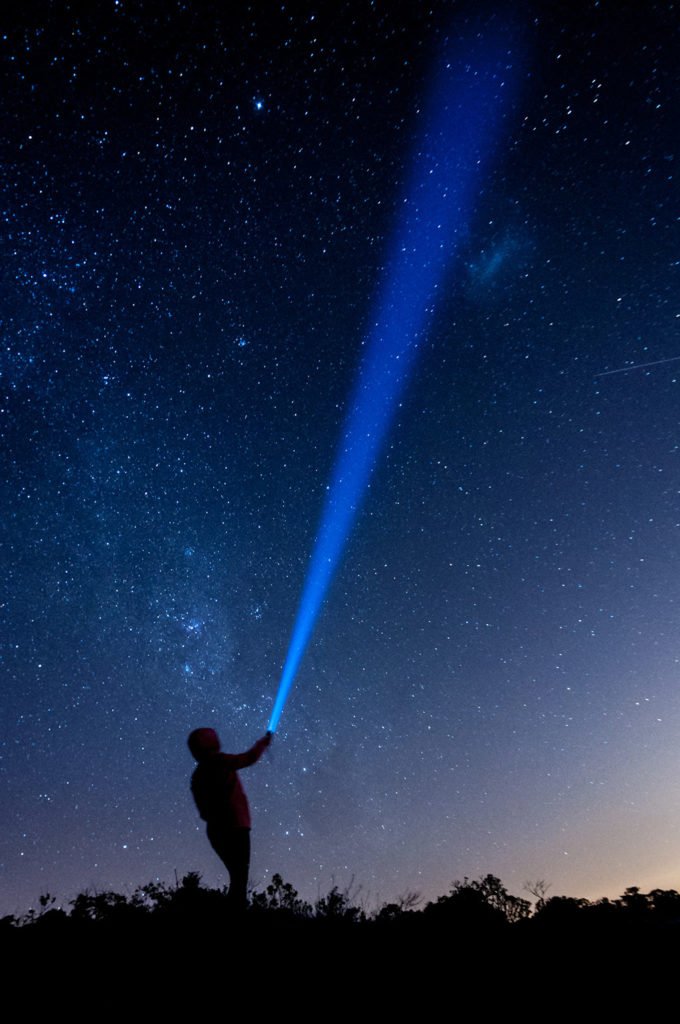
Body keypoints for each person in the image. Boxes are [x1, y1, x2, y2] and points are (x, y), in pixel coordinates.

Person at [187, 727, 272, 909]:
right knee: (239, 877)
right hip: (236, 826)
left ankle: (232, 912)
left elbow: (203, 812)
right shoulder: (219, 761)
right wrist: (262, 743)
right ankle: (235, 915)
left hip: (216, 830)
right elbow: (249, 758)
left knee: (236, 875)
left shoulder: (197, 776)